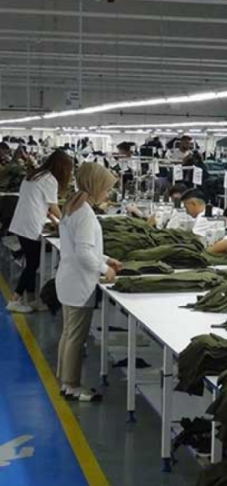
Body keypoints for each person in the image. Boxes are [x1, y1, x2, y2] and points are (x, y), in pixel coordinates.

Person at [56, 163, 121, 402]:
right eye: (106, 188)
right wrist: (105, 269)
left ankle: (65, 382)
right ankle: (73, 386)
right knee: (75, 337)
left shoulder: (73, 206)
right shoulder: (83, 212)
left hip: (69, 279)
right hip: (79, 282)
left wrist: (106, 258)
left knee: (68, 334)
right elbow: (84, 253)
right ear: (95, 186)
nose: (107, 194)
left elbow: (82, 248)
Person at [7, 150, 73, 313]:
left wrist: (53, 220)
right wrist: (68, 223)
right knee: (32, 264)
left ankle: (31, 300)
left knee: (31, 261)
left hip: (21, 222)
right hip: (30, 225)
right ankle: (14, 300)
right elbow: (54, 206)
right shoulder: (50, 180)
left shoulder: (34, 175)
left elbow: (38, 202)